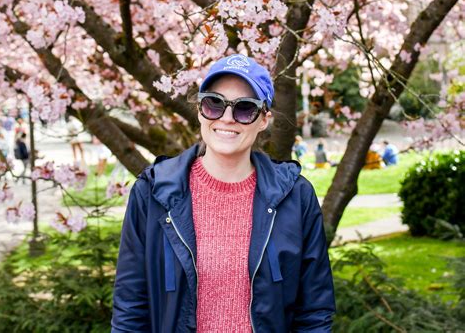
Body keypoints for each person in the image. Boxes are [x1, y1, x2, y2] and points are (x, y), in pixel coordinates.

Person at [112, 54, 335, 332]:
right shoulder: (153, 192)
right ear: (199, 110)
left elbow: (314, 310)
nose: (227, 118)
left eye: (244, 109)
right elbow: (130, 308)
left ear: (264, 119)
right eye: (214, 104)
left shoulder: (296, 196)